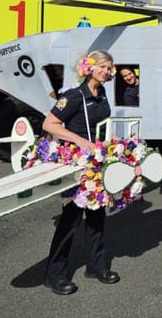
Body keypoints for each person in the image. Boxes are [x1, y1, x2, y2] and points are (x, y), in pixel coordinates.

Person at [43, 51, 120, 295]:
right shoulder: (74, 96)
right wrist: (80, 141)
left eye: (110, 68)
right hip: (78, 165)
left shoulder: (103, 93)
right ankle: (54, 274)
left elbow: (101, 127)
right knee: (71, 220)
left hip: (97, 162)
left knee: (97, 218)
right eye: (103, 66)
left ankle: (96, 266)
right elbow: (49, 124)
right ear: (89, 66)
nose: (107, 71)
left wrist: (115, 142)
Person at [118, 66, 162, 199]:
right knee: (140, 160)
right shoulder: (128, 93)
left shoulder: (150, 83)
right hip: (145, 131)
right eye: (124, 76)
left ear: (134, 73)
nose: (128, 78)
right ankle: (138, 189)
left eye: (129, 74)